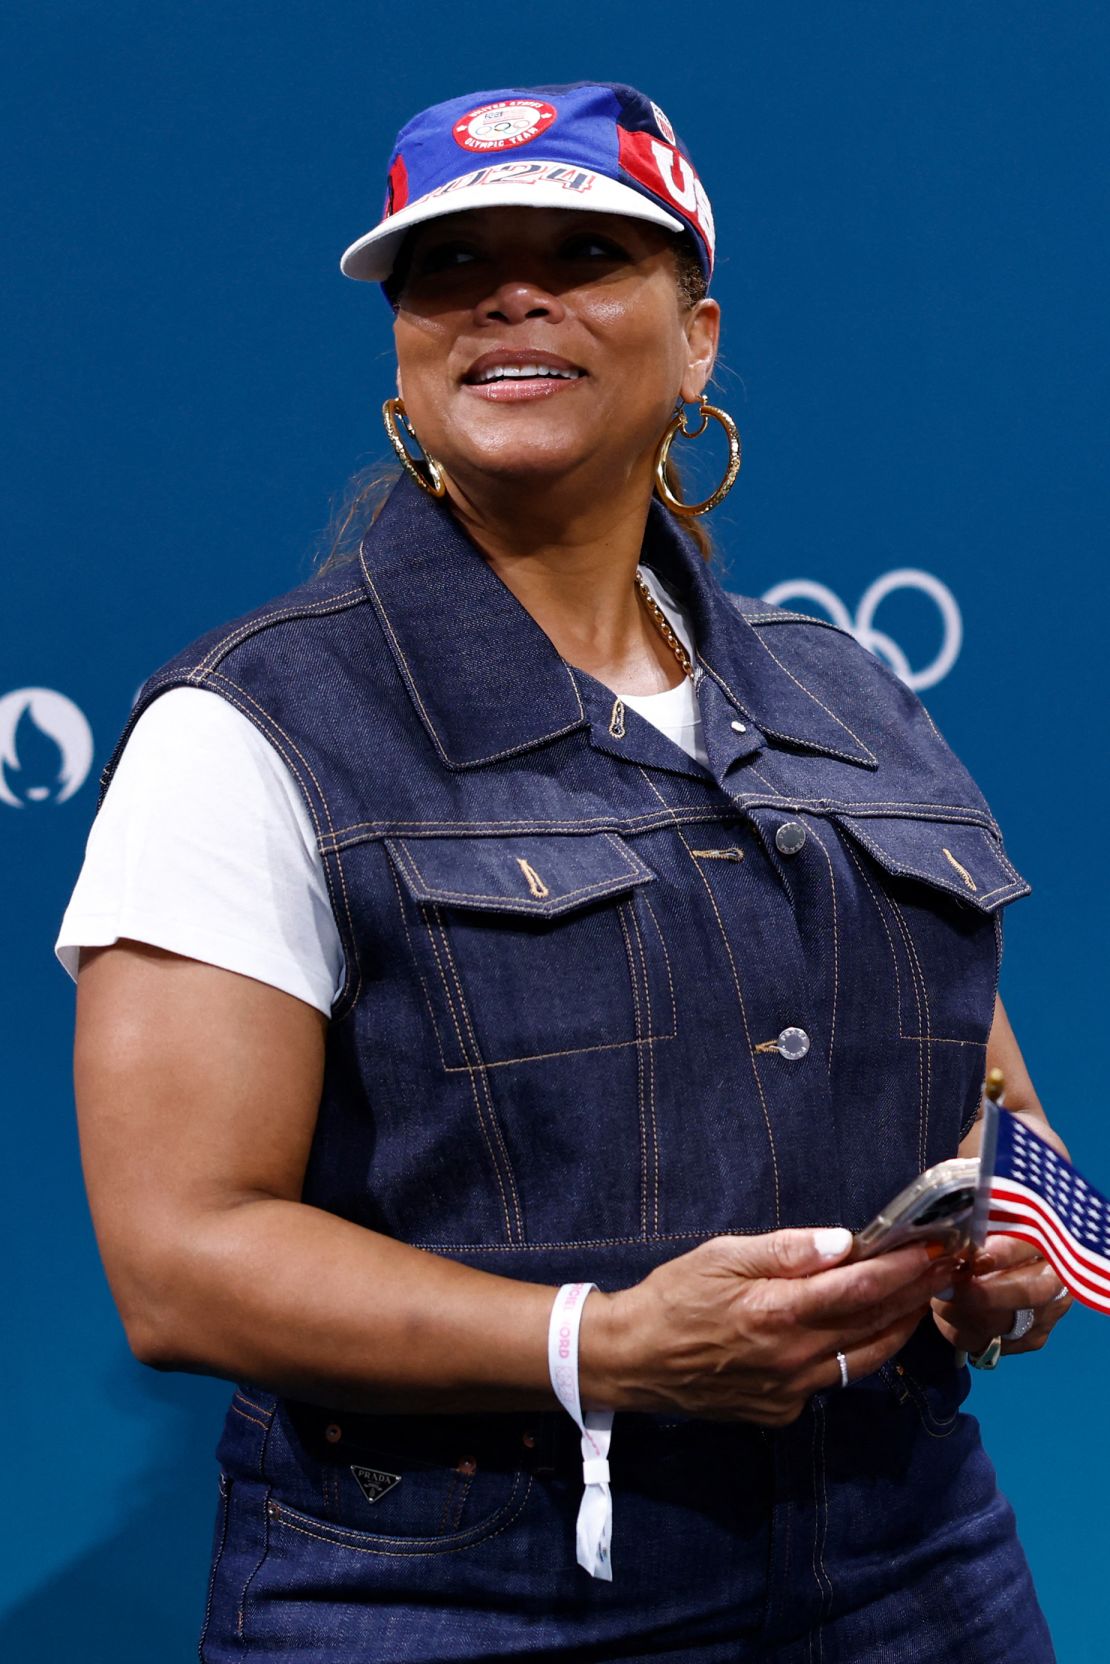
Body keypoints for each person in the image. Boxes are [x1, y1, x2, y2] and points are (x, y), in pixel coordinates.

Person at [58, 82, 1070, 1662]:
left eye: (585, 252)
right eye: (452, 264)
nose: (510, 295)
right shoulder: (251, 723)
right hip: (456, 1594)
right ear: (403, 342)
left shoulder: (846, 694)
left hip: (908, 1551)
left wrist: (997, 1226)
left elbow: (980, 1083)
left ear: (699, 336)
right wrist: (607, 1347)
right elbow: (182, 1262)